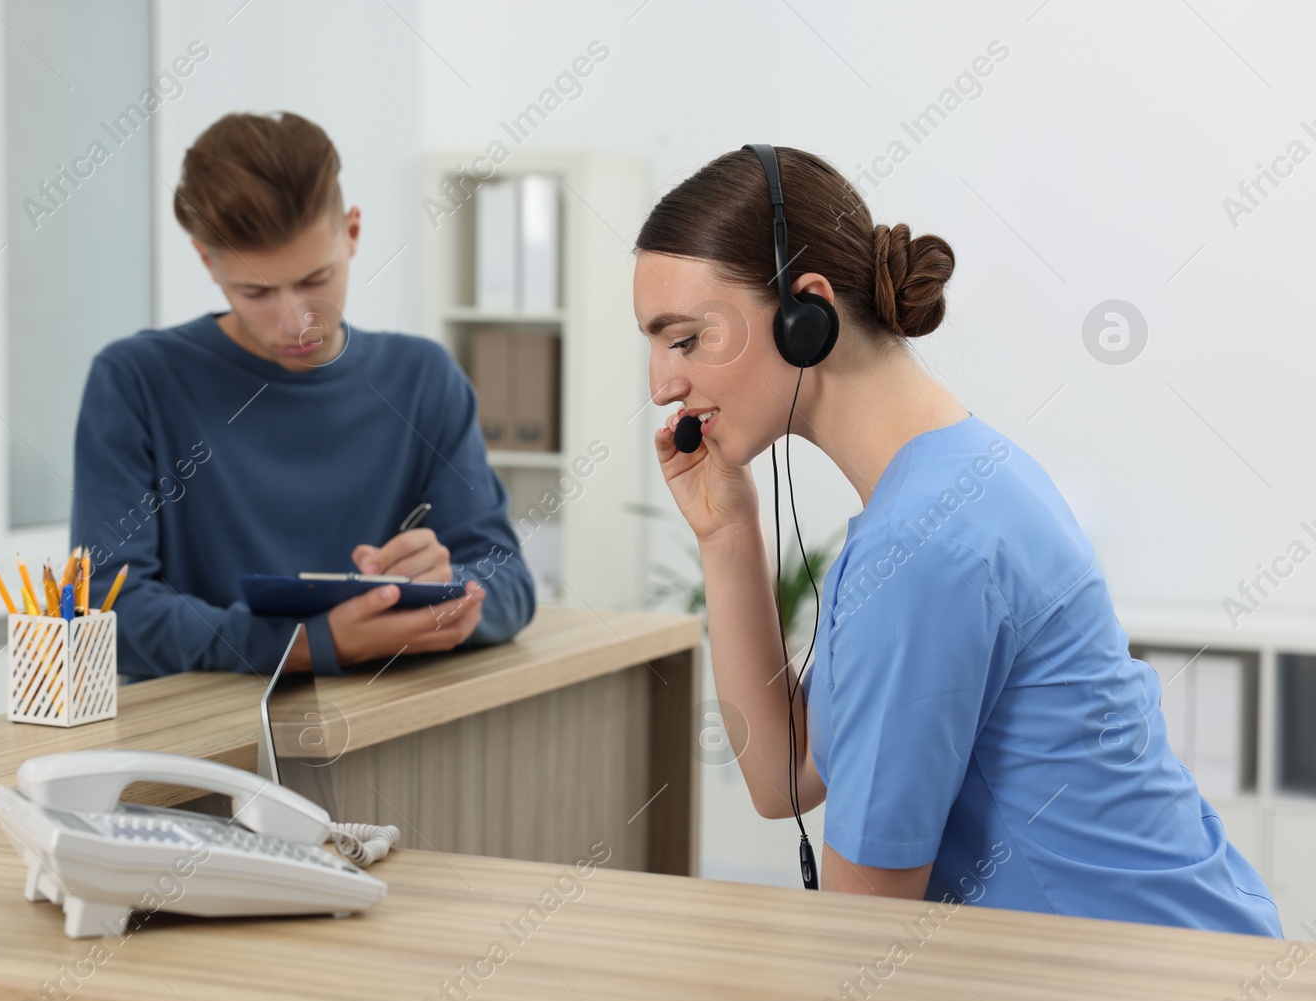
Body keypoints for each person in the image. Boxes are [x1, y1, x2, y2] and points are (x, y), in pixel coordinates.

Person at [632, 144, 1281, 937]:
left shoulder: (925, 545)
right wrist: (727, 529)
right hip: (1174, 969)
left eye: (686, 338)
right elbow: (784, 778)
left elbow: (860, 940)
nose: (662, 383)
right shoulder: (947, 484)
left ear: (807, 313)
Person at [70, 111, 534, 680]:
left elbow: (509, 582)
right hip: (196, 741)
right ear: (205, 261)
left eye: (316, 279)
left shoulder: (423, 378)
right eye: (256, 291)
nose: (296, 321)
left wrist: (456, 591)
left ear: (353, 233)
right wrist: (310, 644)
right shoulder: (135, 380)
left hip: (386, 728)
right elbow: (108, 612)